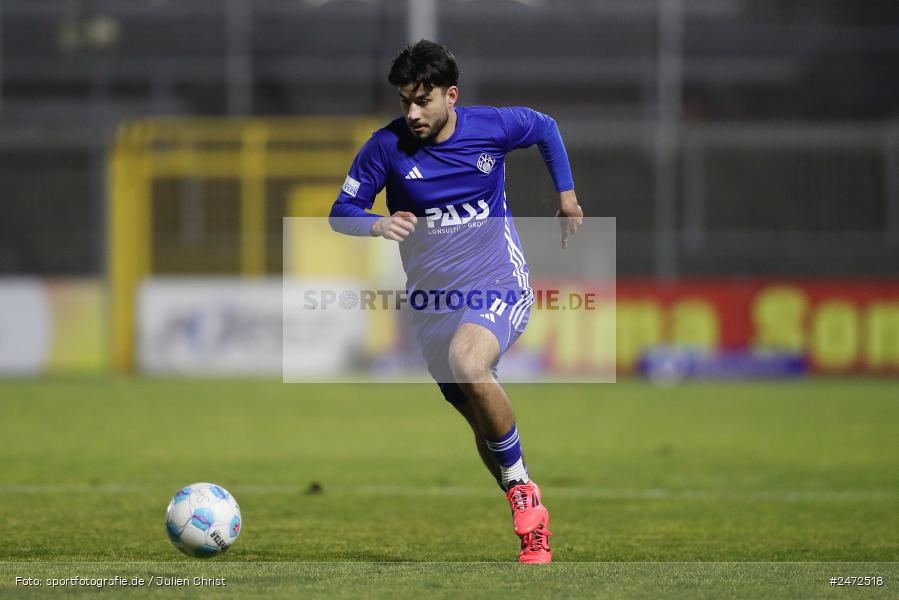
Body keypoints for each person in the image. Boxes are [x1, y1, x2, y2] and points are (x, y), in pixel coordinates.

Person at [329, 40, 582, 563]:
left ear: (451, 95)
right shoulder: (384, 148)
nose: (413, 113)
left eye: (423, 101)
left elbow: (545, 128)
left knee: (470, 363)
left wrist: (566, 195)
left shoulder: (490, 127)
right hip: (432, 308)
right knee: (481, 422)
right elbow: (340, 210)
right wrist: (376, 223)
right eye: (405, 102)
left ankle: (523, 497)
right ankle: (528, 512)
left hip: (497, 282)